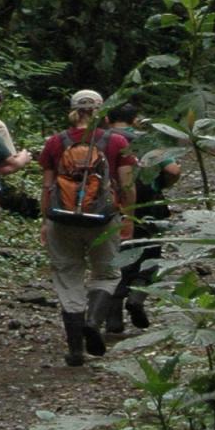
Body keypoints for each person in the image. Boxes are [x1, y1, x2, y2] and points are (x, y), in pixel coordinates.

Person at [39, 89, 137, 366]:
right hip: (104, 219)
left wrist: (46, 219)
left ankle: (75, 350)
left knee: (68, 276)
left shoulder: (56, 142)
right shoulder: (116, 141)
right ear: (101, 111)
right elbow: (126, 183)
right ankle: (93, 321)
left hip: (62, 218)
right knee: (106, 273)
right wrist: (128, 217)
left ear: (73, 110)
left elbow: (48, 185)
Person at [101, 104, 182, 332]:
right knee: (150, 251)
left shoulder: (100, 139)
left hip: (110, 202)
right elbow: (173, 171)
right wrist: (164, 184)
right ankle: (137, 296)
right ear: (135, 119)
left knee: (116, 255)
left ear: (108, 119)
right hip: (148, 202)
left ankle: (113, 318)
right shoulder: (148, 141)